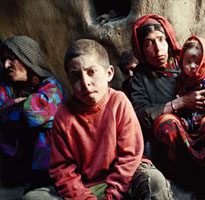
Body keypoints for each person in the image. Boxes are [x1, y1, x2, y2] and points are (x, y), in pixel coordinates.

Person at [24, 39, 174, 200]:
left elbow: (130, 156)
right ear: (69, 79)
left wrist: (112, 195)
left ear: (109, 73)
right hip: (86, 185)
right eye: (76, 76)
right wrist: (83, 197)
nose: (85, 83)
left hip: (125, 180)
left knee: (154, 181)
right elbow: (62, 169)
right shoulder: (63, 114)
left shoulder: (119, 102)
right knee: (33, 197)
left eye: (91, 72)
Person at [130, 14, 205, 198]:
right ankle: (190, 184)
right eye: (149, 43)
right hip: (173, 147)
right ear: (140, 48)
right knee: (167, 122)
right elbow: (139, 115)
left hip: (201, 127)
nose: (158, 49)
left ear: (169, 39)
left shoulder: (188, 60)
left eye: (161, 39)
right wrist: (182, 101)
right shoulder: (140, 77)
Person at [0, 36, 66, 194]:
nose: (6, 64)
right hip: (13, 168)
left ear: (26, 58)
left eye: (11, 59)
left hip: (44, 172)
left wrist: (11, 109)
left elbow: (41, 112)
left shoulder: (51, 84)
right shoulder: (7, 86)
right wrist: (15, 105)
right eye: (3, 60)